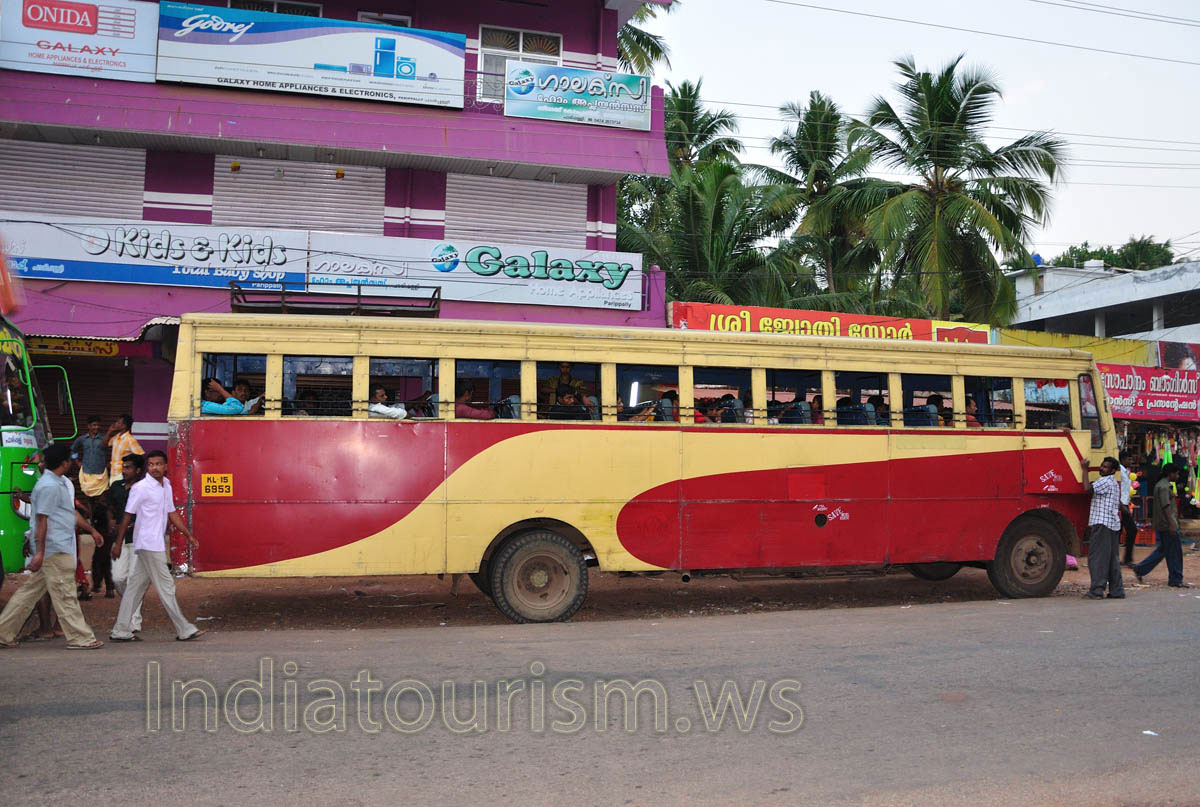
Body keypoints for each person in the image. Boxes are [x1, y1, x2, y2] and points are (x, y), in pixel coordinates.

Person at [0, 443, 105, 649]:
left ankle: (3, 632)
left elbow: (70, 514)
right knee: (65, 594)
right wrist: (39, 552)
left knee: (29, 594)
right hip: (54, 548)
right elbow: (41, 520)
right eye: (70, 459)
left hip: (55, 547)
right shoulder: (49, 486)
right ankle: (79, 637)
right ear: (64, 463)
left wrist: (92, 531)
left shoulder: (56, 484)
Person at [110, 450, 202, 642]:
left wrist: (188, 535)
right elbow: (127, 515)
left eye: (158, 464)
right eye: (151, 464)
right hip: (147, 543)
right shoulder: (141, 488)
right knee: (166, 586)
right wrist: (118, 543)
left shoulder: (166, 485)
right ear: (147, 467)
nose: (154, 468)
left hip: (153, 542)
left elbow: (171, 512)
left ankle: (120, 630)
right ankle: (184, 628)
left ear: (165, 466)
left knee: (135, 588)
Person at [1133, 463, 1190, 587]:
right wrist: (1171, 524)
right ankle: (1175, 578)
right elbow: (1166, 506)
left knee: (1164, 550)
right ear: (1171, 474)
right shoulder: (1164, 487)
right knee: (1175, 552)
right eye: (1176, 473)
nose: (1177, 475)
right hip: (1167, 524)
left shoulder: (1161, 485)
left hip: (1162, 523)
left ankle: (1141, 569)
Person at [106, 453, 146, 631]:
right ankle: (131, 604)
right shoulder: (116, 486)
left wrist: (134, 524)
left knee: (133, 579)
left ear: (138, 470)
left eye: (128, 467)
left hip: (138, 540)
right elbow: (109, 507)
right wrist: (110, 521)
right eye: (123, 467)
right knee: (118, 578)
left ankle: (134, 622)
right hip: (119, 539)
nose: (124, 471)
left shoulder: (144, 488)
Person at [1082, 455, 1125, 600]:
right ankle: (1117, 590)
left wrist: (1084, 469)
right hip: (1112, 525)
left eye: (1105, 467)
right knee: (1112, 559)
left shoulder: (1105, 481)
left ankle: (1096, 591)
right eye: (1102, 465)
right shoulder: (1113, 483)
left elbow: (1087, 488)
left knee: (1098, 558)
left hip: (1102, 524)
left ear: (1113, 471)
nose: (1101, 468)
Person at [72, 415, 109, 498]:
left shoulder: (104, 439)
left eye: (98, 425)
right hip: (86, 472)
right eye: (94, 425)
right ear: (88, 426)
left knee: (102, 497)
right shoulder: (82, 439)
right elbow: (73, 450)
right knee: (87, 497)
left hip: (101, 473)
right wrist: (77, 461)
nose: (96, 427)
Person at [105, 413, 142, 481]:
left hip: (122, 474)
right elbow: (104, 445)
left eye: (118, 422)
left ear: (124, 426)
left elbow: (140, 455)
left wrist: (133, 470)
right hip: (113, 473)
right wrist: (109, 431)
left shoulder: (130, 439)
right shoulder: (116, 437)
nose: (115, 423)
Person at [1118, 454, 1139, 567]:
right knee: (1129, 530)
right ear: (1122, 459)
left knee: (1126, 531)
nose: (1131, 460)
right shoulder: (1120, 472)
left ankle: (1126, 558)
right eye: (1129, 458)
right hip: (1121, 506)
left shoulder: (1125, 471)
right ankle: (1125, 558)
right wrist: (1122, 505)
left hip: (1124, 504)